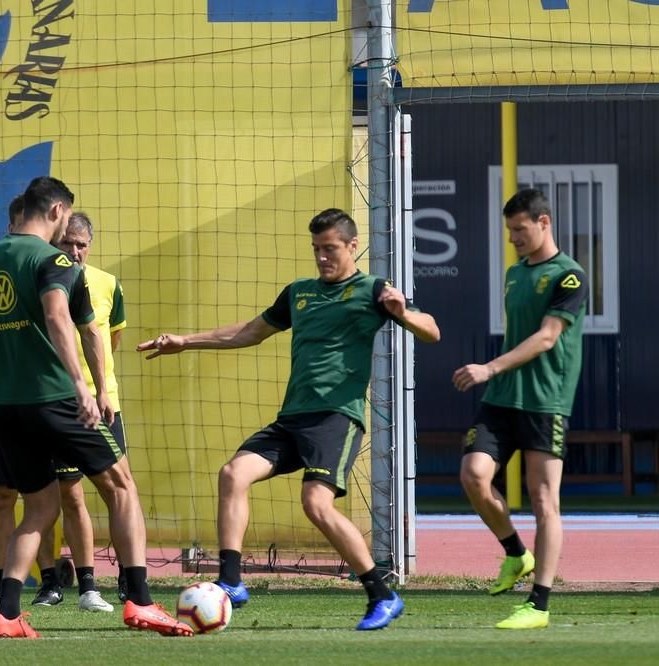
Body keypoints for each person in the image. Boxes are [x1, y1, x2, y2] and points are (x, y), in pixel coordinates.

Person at [137, 208, 440, 631]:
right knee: (232, 474)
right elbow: (248, 332)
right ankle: (231, 581)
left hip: (335, 417)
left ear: (353, 246)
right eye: (316, 249)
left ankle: (382, 594)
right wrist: (185, 342)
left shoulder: (373, 290)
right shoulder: (299, 293)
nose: (321, 257)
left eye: (330, 248)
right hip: (292, 419)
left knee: (315, 503)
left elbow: (431, 330)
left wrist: (403, 314)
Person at [0, 176, 191, 638]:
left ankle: (6, 614)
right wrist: (87, 387)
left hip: (7, 408)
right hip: (56, 398)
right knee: (121, 487)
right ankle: (140, 602)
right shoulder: (53, 260)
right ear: (59, 210)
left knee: (39, 509)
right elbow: (66, 320)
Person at [0, 207, 122, 615]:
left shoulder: (103, 283)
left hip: (77, 402)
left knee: (76, 493)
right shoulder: (30, 269)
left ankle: (90, 586)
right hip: (23, 401)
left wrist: (97, 388)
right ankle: (20, 587)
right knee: (11, 497)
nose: (75, 251)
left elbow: (103, 340)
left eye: (82, 245)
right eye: (69, 242)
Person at [453, 188, 587, 630]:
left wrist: (489, 367)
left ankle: (540, 605)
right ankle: (515, 552)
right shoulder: (514, 273)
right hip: (502, 398)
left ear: (544, 222)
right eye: (509, 230)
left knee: (544, 499)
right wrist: (496, 376)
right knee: (474, 475)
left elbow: (548, 337)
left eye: (520, 229)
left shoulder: (570, 276)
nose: (513, 238)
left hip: (546, 401)